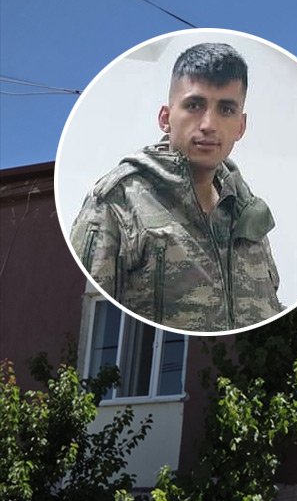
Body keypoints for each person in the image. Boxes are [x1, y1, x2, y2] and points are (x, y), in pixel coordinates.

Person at [69, 42, 283, 332]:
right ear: (166, 118)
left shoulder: (248, 214)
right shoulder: (117, 203)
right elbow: (89, 315)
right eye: (194, 105)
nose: (209, 124)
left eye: (226, 109)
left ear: (240, 126)